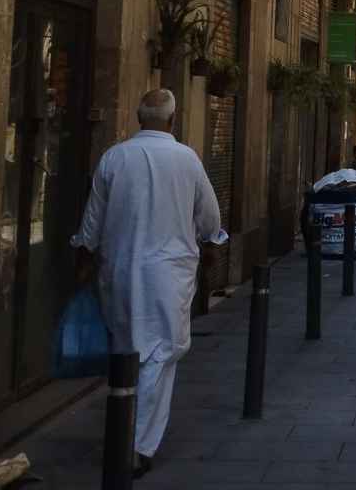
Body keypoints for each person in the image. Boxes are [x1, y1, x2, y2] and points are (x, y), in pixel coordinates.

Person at [73, 89, 226, 477]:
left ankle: (126, 435)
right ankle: (138, 446)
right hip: (168, 275)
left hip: (119, 272)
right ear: (173, 121)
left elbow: (92, 219)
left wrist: (85, 256)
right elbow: (209, 215)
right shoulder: (186, 160)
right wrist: (212, 243)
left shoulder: (115, 157)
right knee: (158, 354)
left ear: (139, 119)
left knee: (128, 350)